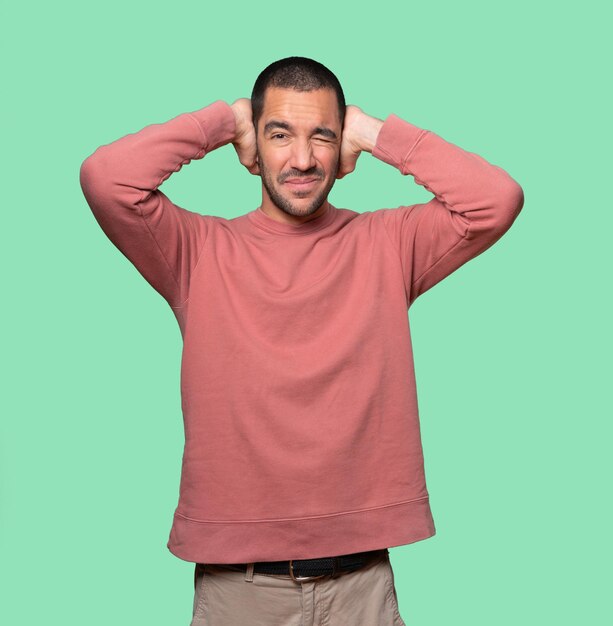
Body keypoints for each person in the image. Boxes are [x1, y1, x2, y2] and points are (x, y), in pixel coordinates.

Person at [79, 56, 524, 625]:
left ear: (342, 152)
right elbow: (107, 177)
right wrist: (226, 119)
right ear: (253, 149)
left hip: (362, 582)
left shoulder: (387, 244)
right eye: (279, 134)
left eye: (323, 136)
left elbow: (495, 199)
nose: (303, 158)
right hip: (239, 589)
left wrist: (373, 132)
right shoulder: (196, 251)